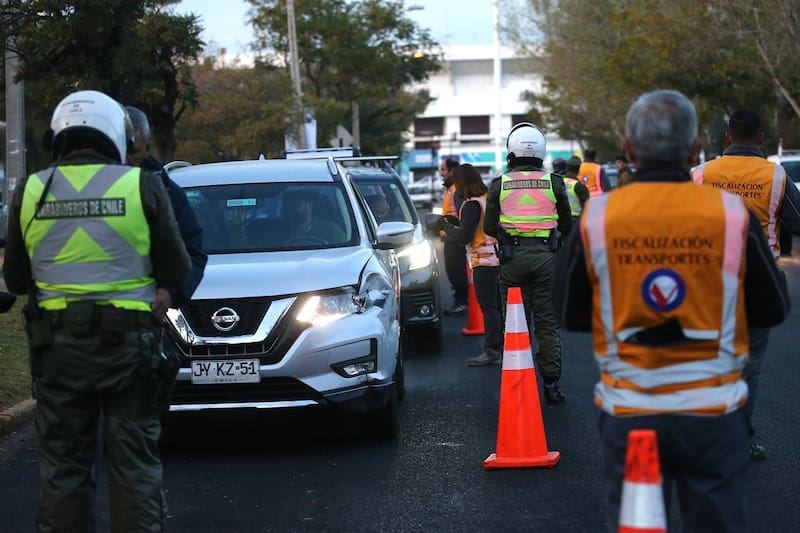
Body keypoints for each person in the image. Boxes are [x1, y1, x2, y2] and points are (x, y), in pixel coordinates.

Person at [552, 90, 789, 532]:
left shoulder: (599, 217)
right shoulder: (731, 213)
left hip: (632, 412)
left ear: (627, 147)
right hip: (713, 416)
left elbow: (569, 312)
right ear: (695, 147)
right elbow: (772, 306)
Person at [3, 90, 192, 531]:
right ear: (115, 134)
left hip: (57, 350)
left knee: (64, 468)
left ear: (58, 137)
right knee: (134, 467)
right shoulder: (140, 184)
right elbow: (178, 269)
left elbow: (14, 280)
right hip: (129, 346)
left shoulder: (31, 190)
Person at [691, 109, 800, 460]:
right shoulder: (777, 176)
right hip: (759, 280)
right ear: (762, 139)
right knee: (748, 365)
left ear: (726, 138)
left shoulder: (701, 175)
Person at [483, 122, 573, 404]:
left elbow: (488, 227)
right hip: (547, 259)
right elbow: (568, 225)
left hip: (512, 260)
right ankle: (551, 384)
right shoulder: (554, 182)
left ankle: (518, 383)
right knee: (547, 323)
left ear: (512, 151)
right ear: (541, 152)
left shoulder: (500, 184)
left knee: (515, 323)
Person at [125, 106, 207, 313]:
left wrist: (169, 292)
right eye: (121, 150)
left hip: (142, 317)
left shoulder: (168, 193)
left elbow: (192, 252)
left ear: (147, 148)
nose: (126, 160)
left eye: (133, 151)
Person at [441, 163, 503, 366]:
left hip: (483, 263)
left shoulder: (471, 204)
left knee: (489, 308)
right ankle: (502, 346)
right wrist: (455, 221)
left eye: (456, 182)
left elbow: (464, 237)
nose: (455, 188)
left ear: (462, 183)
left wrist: (445, 227)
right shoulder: (485, 200)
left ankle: (492, 350)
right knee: (497, 307)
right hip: (496, 259)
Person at [439, 157, 469, 316]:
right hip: (451, 234)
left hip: (455, 236)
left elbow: (461, 213)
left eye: (443, 169)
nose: (441, 173)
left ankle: (462, 302)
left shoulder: (456, 189)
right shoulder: (451, 187)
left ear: (452, 171)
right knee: (453, 270)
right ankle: (461, 300)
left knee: (455, 271)